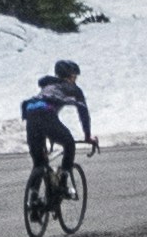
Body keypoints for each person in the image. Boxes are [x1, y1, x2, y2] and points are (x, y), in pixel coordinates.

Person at [18, 58, 92, 207]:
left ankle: (32, 201)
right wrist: (88, 136)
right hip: (46, 115)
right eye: (74, 76)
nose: (75, 80)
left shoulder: (48, 85)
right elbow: (83, 112)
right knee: (69, 144)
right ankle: (63, 184)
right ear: (69, 76)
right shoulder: (73, 89)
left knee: (39, 163)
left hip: (31, 114)